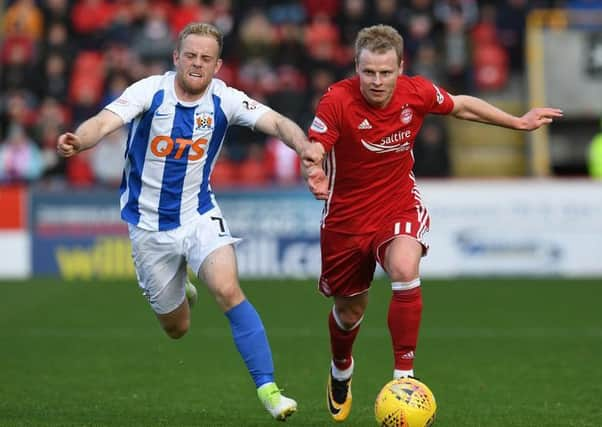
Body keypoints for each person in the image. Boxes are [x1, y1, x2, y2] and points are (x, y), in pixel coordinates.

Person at [57, 22, 321, 422]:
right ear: (176, 58)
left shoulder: (226, 99)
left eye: (207, 59)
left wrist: (304, 146)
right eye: (191, 56)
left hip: (198, 214)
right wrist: (78, 139)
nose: (198, 64)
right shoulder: (150, 91)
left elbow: (278, 122)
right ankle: (184, 291)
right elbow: (103, 122)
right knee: (177, 328)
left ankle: (269, 389)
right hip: (148, 227)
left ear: (217, 66)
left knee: (229, 290)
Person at [300, 24, 562, 422]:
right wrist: (314, 165)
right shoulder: (337, 99)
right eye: (368, 72)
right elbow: (316, 144)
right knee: (349, 310)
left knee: (405, 268)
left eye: (386, 72)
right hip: (346, 217)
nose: (377, 81)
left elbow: (461, 106)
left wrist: (518, 122)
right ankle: (341, 369)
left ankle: (404, 378)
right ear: (356, 66)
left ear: (400, 67)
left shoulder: (416, 91)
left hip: (396, 203)